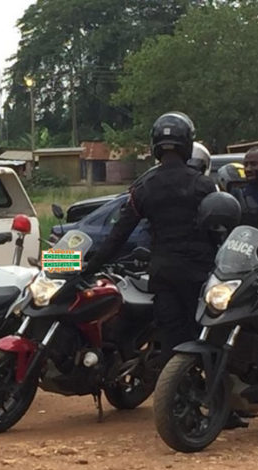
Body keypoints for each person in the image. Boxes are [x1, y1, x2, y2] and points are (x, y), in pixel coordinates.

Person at [83, 112, 218, 362]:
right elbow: (219, 230)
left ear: (154, 145)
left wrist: (89, 267)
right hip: (199, 277)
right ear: (187, 143)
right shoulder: (204, 186)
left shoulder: (144, 188)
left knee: (171, 341)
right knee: (207, 338)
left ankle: (172, 394)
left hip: (163, 275)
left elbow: (118, 234)